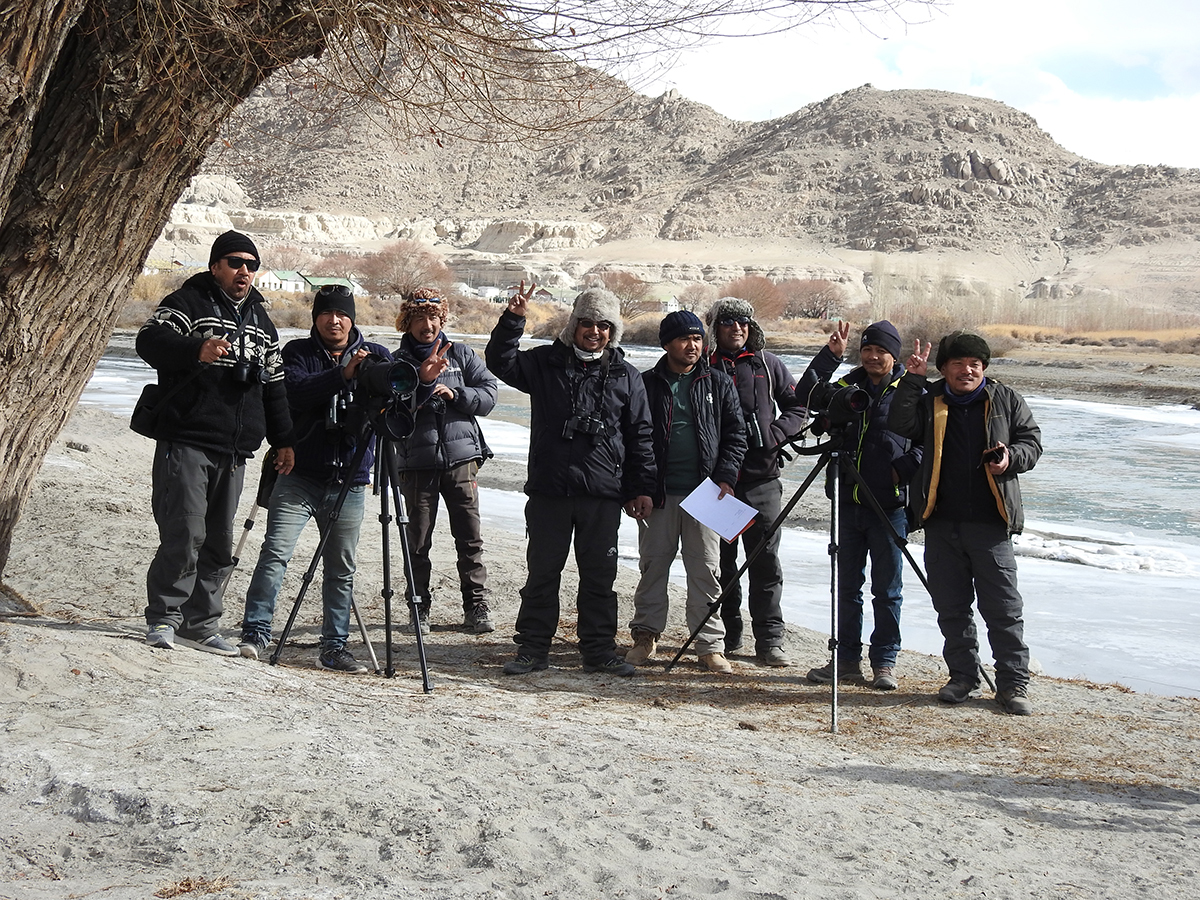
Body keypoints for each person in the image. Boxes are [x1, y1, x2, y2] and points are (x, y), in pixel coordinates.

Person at [237, 286, 421, 672]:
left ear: (352, 318)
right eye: (327, 313)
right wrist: (342, 375)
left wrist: (415, 384)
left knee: (341, 568)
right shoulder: (296, 354)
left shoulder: (379, 356)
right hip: (300, 473)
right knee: (275, 554)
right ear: (315, 317)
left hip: (352, 479)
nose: (334, 320)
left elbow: (398, 410)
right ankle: (256, 631)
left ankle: (334, 646)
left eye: (342, 314)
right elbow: (294, 393)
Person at [136, 231, 295, 655]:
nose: (245, 271)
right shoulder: (186, 303)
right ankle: (164, 618)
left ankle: (202, 624)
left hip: (236, 449)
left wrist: (283, 441)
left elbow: (275, 387)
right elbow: (148, 341)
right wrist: (196, 349)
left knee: (219, 542)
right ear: (215, 267)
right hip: (187, 438)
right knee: (184, 530)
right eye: (235, 262)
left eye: (251, 264)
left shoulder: (262, 323)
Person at [486, 283, 656, 676]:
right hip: (550, 491)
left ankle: (598, 652)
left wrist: (640, 488)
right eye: (586, 323)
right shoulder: (545, 364)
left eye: (603, 325)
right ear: (573, 325)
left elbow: (641, 437)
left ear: (612, 330)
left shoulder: (627, 377)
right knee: (543, 573)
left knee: (599, 577)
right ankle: (532, 650)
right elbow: (500, 361)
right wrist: (513, 320)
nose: (594, 331)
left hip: (603, 494)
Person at [888, 331, 1043, 715]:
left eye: (975, 364)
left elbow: (1032, 442)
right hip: (942, 524)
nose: (967, 370)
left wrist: (1011, 458)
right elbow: (899, 423)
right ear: (945, 368)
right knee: (952, 609)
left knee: (1003, 610)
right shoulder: (930, 400)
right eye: (958, 364)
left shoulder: (1005, 399)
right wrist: (913, 379)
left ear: (984, 368)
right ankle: (963, 677)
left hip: (991, 526)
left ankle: (1013, 685)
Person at [795, 320, 922, 691]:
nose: (872, 356)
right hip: (848, 502)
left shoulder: (911, 390)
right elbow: (807, 394)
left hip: (889, 506)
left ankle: (884, 662)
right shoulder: (848, 385)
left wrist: (902, 471)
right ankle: (846, 660)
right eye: (867, 349)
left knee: (888, 589)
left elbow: (927, 441)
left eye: (880, 350)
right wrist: (830, 356)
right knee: (847, 586)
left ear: (893, 354)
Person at [707, 297, 831, 666]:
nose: (737, 328)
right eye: (728, 321)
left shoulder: (768, 364)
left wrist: (775, 433)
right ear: (716, 328)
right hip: (717, 485)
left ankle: (769, 641)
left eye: (744, 321)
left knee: (765, 563)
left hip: (763, 479)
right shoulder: (704, 365)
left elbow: (799, 405)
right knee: (721, 564)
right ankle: (729, 636)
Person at [625, 311, 747, 674]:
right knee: (652, 568)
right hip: (657, 495)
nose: (692, 345)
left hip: (707, 495)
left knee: (707, 571)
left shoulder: (718, 383)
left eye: (697, 339)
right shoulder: (645, 383)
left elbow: (735, 436)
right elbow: (632, 440)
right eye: (683, 339)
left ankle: (709, 645)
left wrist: (725, 477)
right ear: (667, 344)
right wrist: (636, 489)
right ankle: (645, 636)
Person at [392, 289, 498, 635]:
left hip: (462, 460)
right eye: (420, 318)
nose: (428, 324)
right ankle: (418, 606)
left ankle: (476, 606)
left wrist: (457, 394)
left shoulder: (462, 355)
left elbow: (489, 395)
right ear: (408, 322)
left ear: (443, 318)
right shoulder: (397, 363)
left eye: (434, 317)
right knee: (418, 541)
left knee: (469, 538)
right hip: (416, 461)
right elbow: (391, 411)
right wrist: (422, 383)